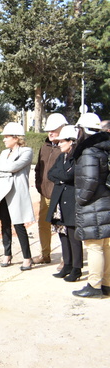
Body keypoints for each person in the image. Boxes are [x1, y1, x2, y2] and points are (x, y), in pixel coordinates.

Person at [0, 122, 35, 270]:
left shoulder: (26, 151)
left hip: (17, 193)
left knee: (19, 225)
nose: (4, 139)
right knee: (5, 225)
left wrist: (3, 169)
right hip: (3, 193)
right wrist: (5, 170)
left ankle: (27, 257)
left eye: (7, 137)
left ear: (16, 138)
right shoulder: (3, 153)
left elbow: (14, 167)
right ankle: (7, 254)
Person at [72, 113, 110, 298]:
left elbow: (90, 180)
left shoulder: (88, 152)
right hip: (105, 202)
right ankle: (106, 284)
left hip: (94, 205)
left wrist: (80, 199)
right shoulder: (103, 149)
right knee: (105, 246)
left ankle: (94, 286)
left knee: (94, 247)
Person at [46, 125, 82, 282]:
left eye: (62, 141)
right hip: (59, 201)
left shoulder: (77, 158)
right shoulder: (62, 157)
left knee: (74, 236)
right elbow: (50, 173)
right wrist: (62, 177)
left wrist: (62, 177)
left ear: (71, 141)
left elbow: (70, 176)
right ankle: (67, 264)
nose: (59, 144)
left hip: (71, 201)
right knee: (62, 234)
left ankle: (77, 268)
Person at [34, 113, 68, 265]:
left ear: (63, 128)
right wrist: (40, 187)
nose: (51, 132)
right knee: (43, 224)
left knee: (62, 226)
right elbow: (38, 169)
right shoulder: (44, 147)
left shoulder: (66, 147)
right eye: (49, 130)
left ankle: (65, 258)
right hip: (45, 194)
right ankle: (45, 254)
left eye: (54, 129)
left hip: (61, 194)